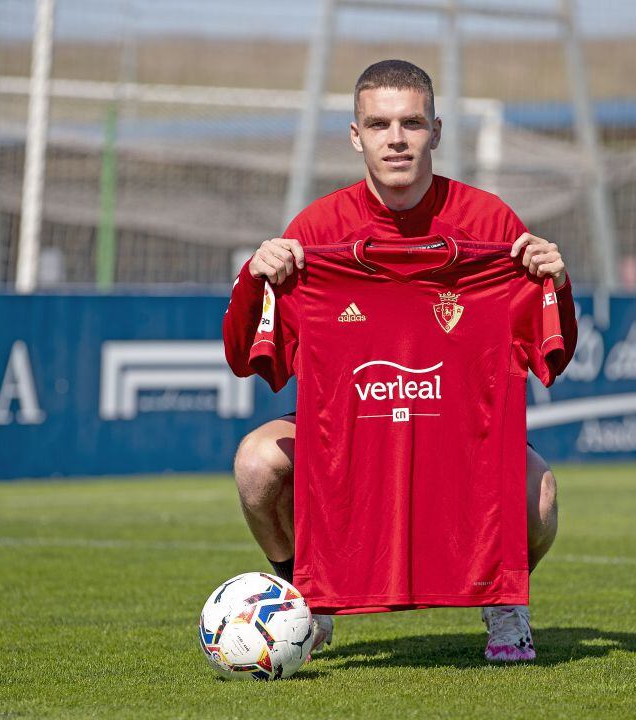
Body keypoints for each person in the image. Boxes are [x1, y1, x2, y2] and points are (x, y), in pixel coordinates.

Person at [223, 59, 574, 662]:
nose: (396, 138)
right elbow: (242, 356)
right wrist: (255, 279)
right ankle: (307, 596)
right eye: (379, 124)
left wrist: (556, 285)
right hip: (353, 436)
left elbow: (552, 356)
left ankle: (504, 599)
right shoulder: (317, 231)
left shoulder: (491, 224)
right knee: (255, 462)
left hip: (459, 440)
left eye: (411, 122)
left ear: (435, 131)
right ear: (356, 135)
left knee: (539, 494)